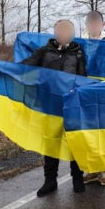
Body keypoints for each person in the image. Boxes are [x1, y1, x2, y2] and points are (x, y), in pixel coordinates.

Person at [21, 20, 86, 197]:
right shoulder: (43, 51)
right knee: (50, 142)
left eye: (67, 30)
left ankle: (77, 178)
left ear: (72, 34)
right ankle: (50, 181)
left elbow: (83, 77)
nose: (64, 33)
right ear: (55, 33)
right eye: (60, 30)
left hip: (71, 104)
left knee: (74, 143)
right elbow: (22, 67)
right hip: (49, 105)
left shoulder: (79, 53)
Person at [79, 11, 105, 188]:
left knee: (103, 133)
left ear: (103, 24)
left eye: (96, 22)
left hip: (104, 94)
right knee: (87, 133)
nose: (93, 25)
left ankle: (103, 171)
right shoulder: (78, 44)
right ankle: (90, 170)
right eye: (90, 22)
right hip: (84, 93)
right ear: (87, 25)